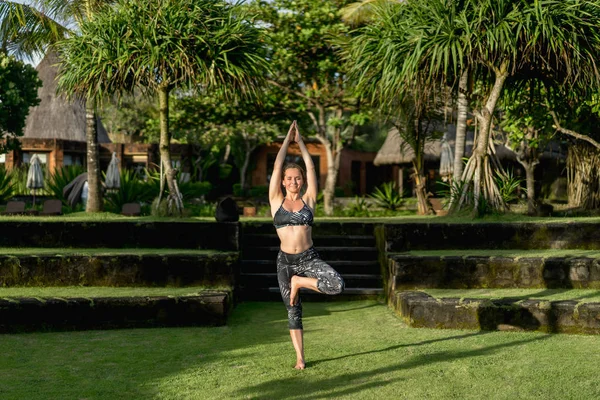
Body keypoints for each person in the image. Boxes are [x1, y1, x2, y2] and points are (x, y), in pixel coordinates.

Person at [269, 120, 345, 370]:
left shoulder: (309, 200)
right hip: (285, 263)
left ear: (302, 181)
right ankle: (300, 357)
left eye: (297, 178)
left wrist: (300, 142)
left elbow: (311, 167)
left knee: (336, 284)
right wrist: (285, 142)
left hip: (308, 259)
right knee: (293, 310)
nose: (293, 181)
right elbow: (278, 164)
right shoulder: (275, 200)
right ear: (282, 181)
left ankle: (300, 283)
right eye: (289, 178)